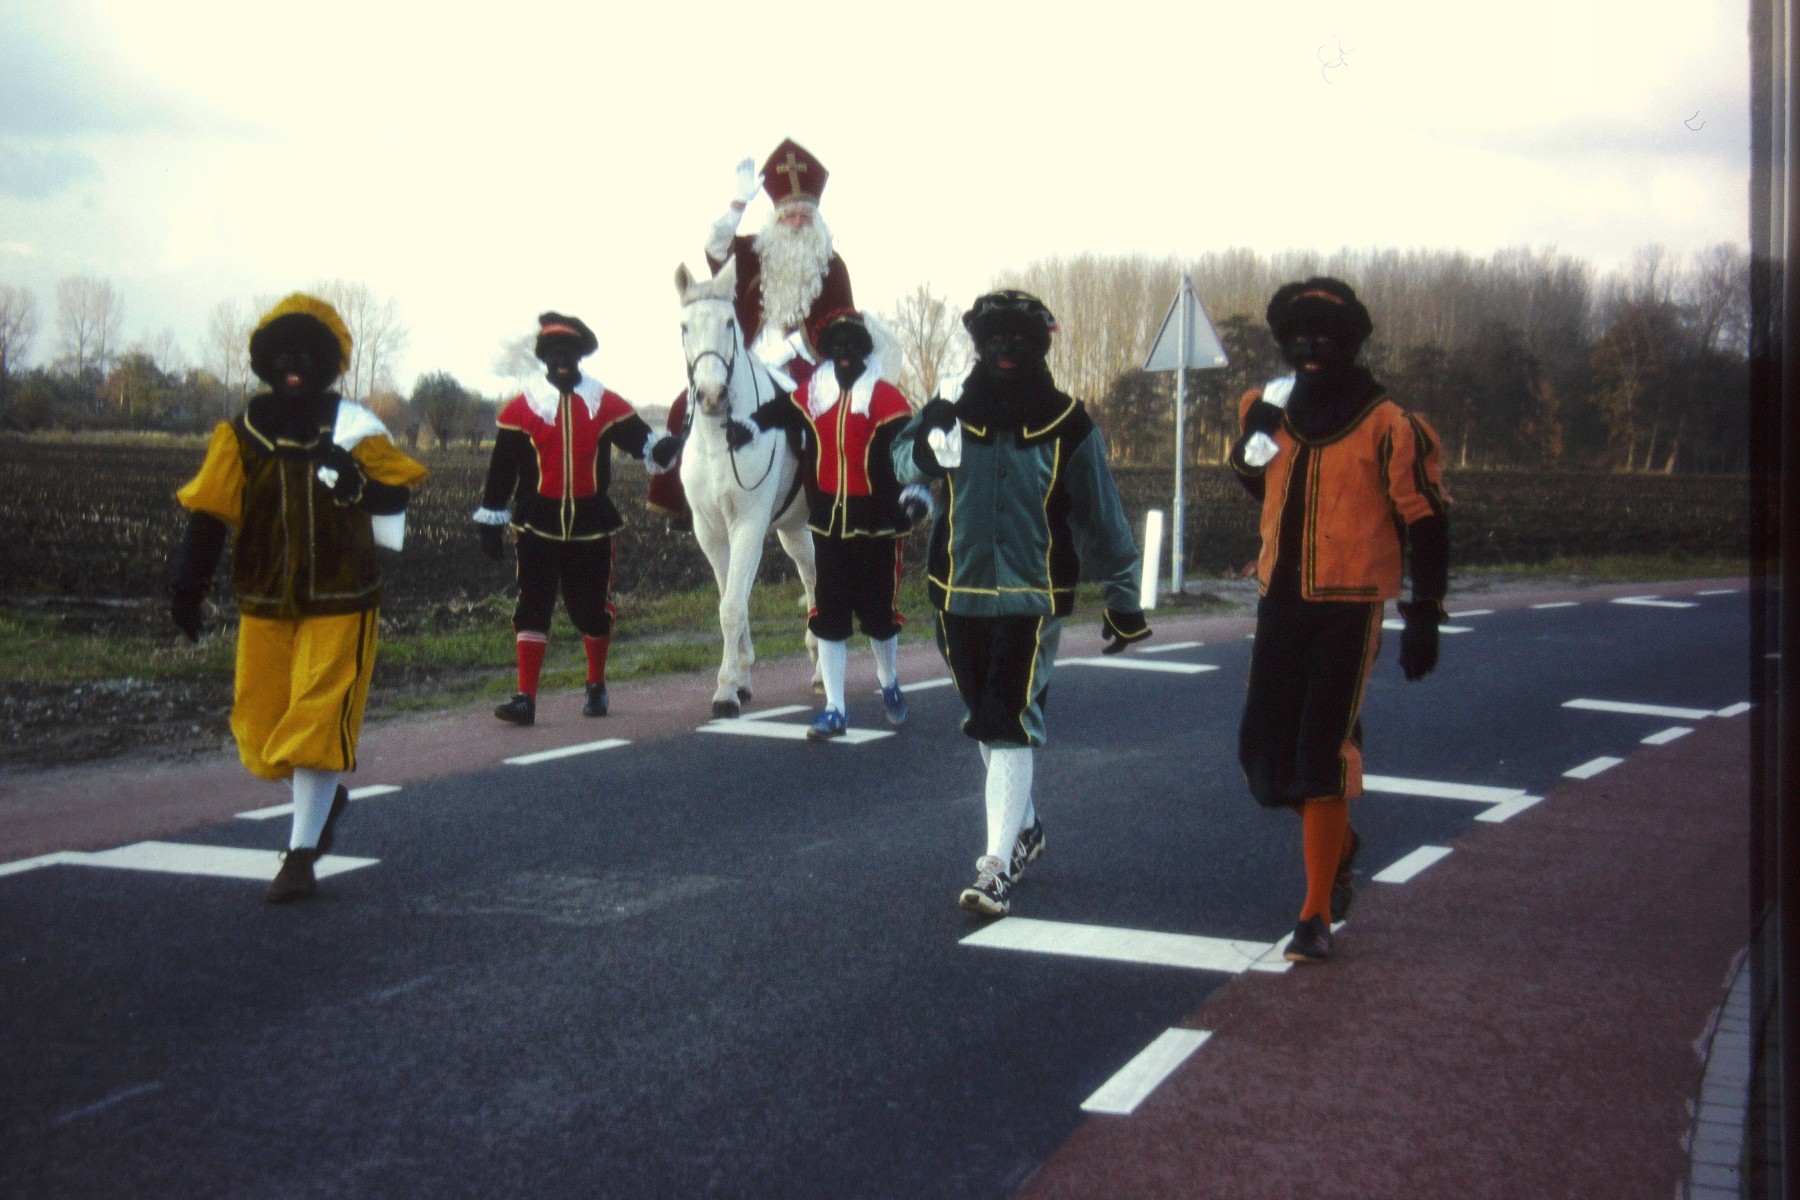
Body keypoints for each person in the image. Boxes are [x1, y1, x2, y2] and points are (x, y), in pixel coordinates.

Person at [893, 289, 1150, 917]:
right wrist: (926, 440)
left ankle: (995, 868)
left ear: (1040, 346)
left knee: (1008, 721)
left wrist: (1124, 600)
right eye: (994, 339)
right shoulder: (950, 408)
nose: (1005, 349)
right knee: (987, 720)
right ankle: (1026, 829)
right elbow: (900, 462)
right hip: (956, 592)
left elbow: (1104, 516)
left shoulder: (1069, 424)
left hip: (1034, 596)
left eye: (1019, 339)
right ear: (979, 345)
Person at [169, 293, 428, 903]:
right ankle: (322, 798)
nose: (294, 365)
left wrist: (357, 484)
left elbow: (395, 498)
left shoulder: (354, 429)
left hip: (342, 598)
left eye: (308, 354)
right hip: (264, 601)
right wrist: (189, 582)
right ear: (264, 360)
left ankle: (300, 855)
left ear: (327, 362)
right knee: (261, 730)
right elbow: (209, 514)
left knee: (317, 721)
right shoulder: (241, 434)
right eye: (283, 354)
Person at [1228, 276, 1451, 964]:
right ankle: (1341, 842)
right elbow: (1253, 480)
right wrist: (1253, 440)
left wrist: (1424, 613)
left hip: (1349, 609)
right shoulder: (1268, 406)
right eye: (1299, 337)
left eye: (1326, 338)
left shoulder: (1389, 424)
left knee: (1321, 754)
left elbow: (1427, 519)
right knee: (1263, 762)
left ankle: (1316, 912)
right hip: (1279, 601)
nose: (1311, 350)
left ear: (1351, 343)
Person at [726, 310, 930, 737]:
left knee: (879, 617)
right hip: (828, 525)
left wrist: (916, 493)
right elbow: (781, 410)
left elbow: (908, 451)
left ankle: (888, 679)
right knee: (829, 617)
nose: (844, 353)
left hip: (877, 524)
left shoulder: (886, 399)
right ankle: (835, 708)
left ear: (865, 352)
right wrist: (750, 426)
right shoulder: (814, 393)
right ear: (827, 353)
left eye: (852, 346)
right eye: (836, 346)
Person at [473, 313, 680, 725]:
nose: (561, 359)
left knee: (592, 610)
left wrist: (660, 448)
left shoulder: (603, 402)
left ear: (580, 356)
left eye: (568, 351)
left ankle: (596, 686)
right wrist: (491, 519)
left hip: (591, 525)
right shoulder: (522, 409)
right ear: (543, 359)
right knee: (532, 607)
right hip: (536, 525)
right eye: (553, 353)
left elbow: (642, 441)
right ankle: (525, 699)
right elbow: (502, 470)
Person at [647, 138, 854, 530]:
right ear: (776, 217)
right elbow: (714, 246)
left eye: (805, 216)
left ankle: (821, 506)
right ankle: (681, 504)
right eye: (790, 215)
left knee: (819, 423)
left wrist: (798, 346)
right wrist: (737, 205)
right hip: (745, 356)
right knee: (683, 406)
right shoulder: (751, 253)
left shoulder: (833, 265)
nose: (797, 223)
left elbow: (844, 324)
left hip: (804, 364)